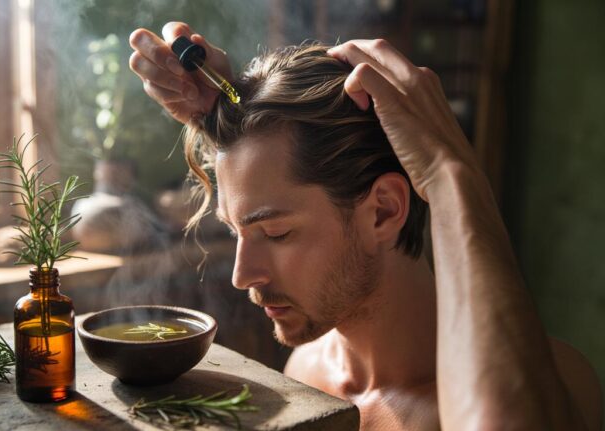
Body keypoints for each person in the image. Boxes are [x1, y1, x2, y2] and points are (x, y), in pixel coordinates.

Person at [128, 22, 603, 430]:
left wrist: (452, 174)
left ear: (383, 211)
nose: (241, 276)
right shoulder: (306, 371)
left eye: (276, 233)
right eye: (236, 232)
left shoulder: (557, 382)